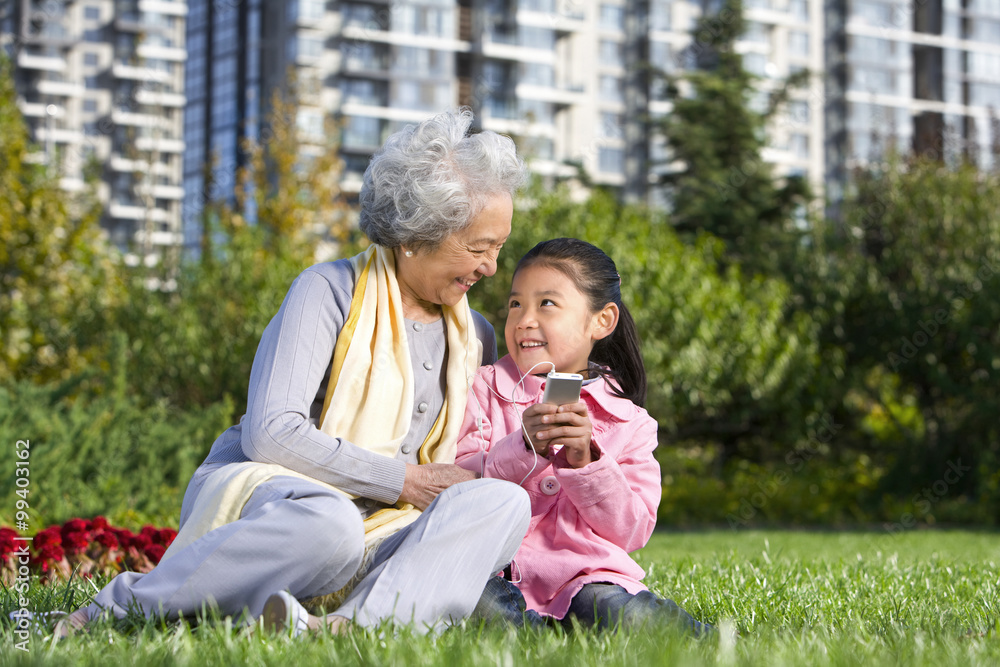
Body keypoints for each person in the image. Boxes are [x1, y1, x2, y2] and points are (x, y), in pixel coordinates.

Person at [56, 108, 531, 637]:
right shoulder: (326, 291)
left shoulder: (477, 335)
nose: (490, 267)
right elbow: (271, 433)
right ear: (415, 235)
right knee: (332, 526)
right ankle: (122, 607)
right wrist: (406, 479)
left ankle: (347, 628)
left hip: (388, 523)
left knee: (503, 501)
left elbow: (470, 460)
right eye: (478, 247)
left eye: (498, 248)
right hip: (282, 502)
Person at [456, 238, 711, 634]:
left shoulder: (631, 422)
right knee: (473, 606)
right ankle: (532, 638)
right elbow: (458, 485)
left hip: (585, 576)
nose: (524, 319)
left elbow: (632, 529)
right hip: (492, 570)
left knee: (628, 616)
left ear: (602, 321)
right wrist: (522, 447)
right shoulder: (480, 390)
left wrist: (587, 462)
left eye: (547, 304)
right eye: (515, 304)